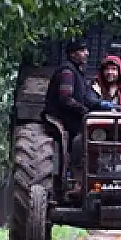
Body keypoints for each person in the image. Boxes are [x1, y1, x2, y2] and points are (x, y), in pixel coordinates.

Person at [44, 40, 113, 177]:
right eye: (82, 51)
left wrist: (98, 104)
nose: (87, 53)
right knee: (81, 139)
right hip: (65, 118)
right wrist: (85, 111)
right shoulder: (67, 72)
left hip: (74, 117)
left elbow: (83, 97)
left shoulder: (78, 73)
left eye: (86, 50)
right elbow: (66, 99)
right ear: (72, 55)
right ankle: (75, 172)